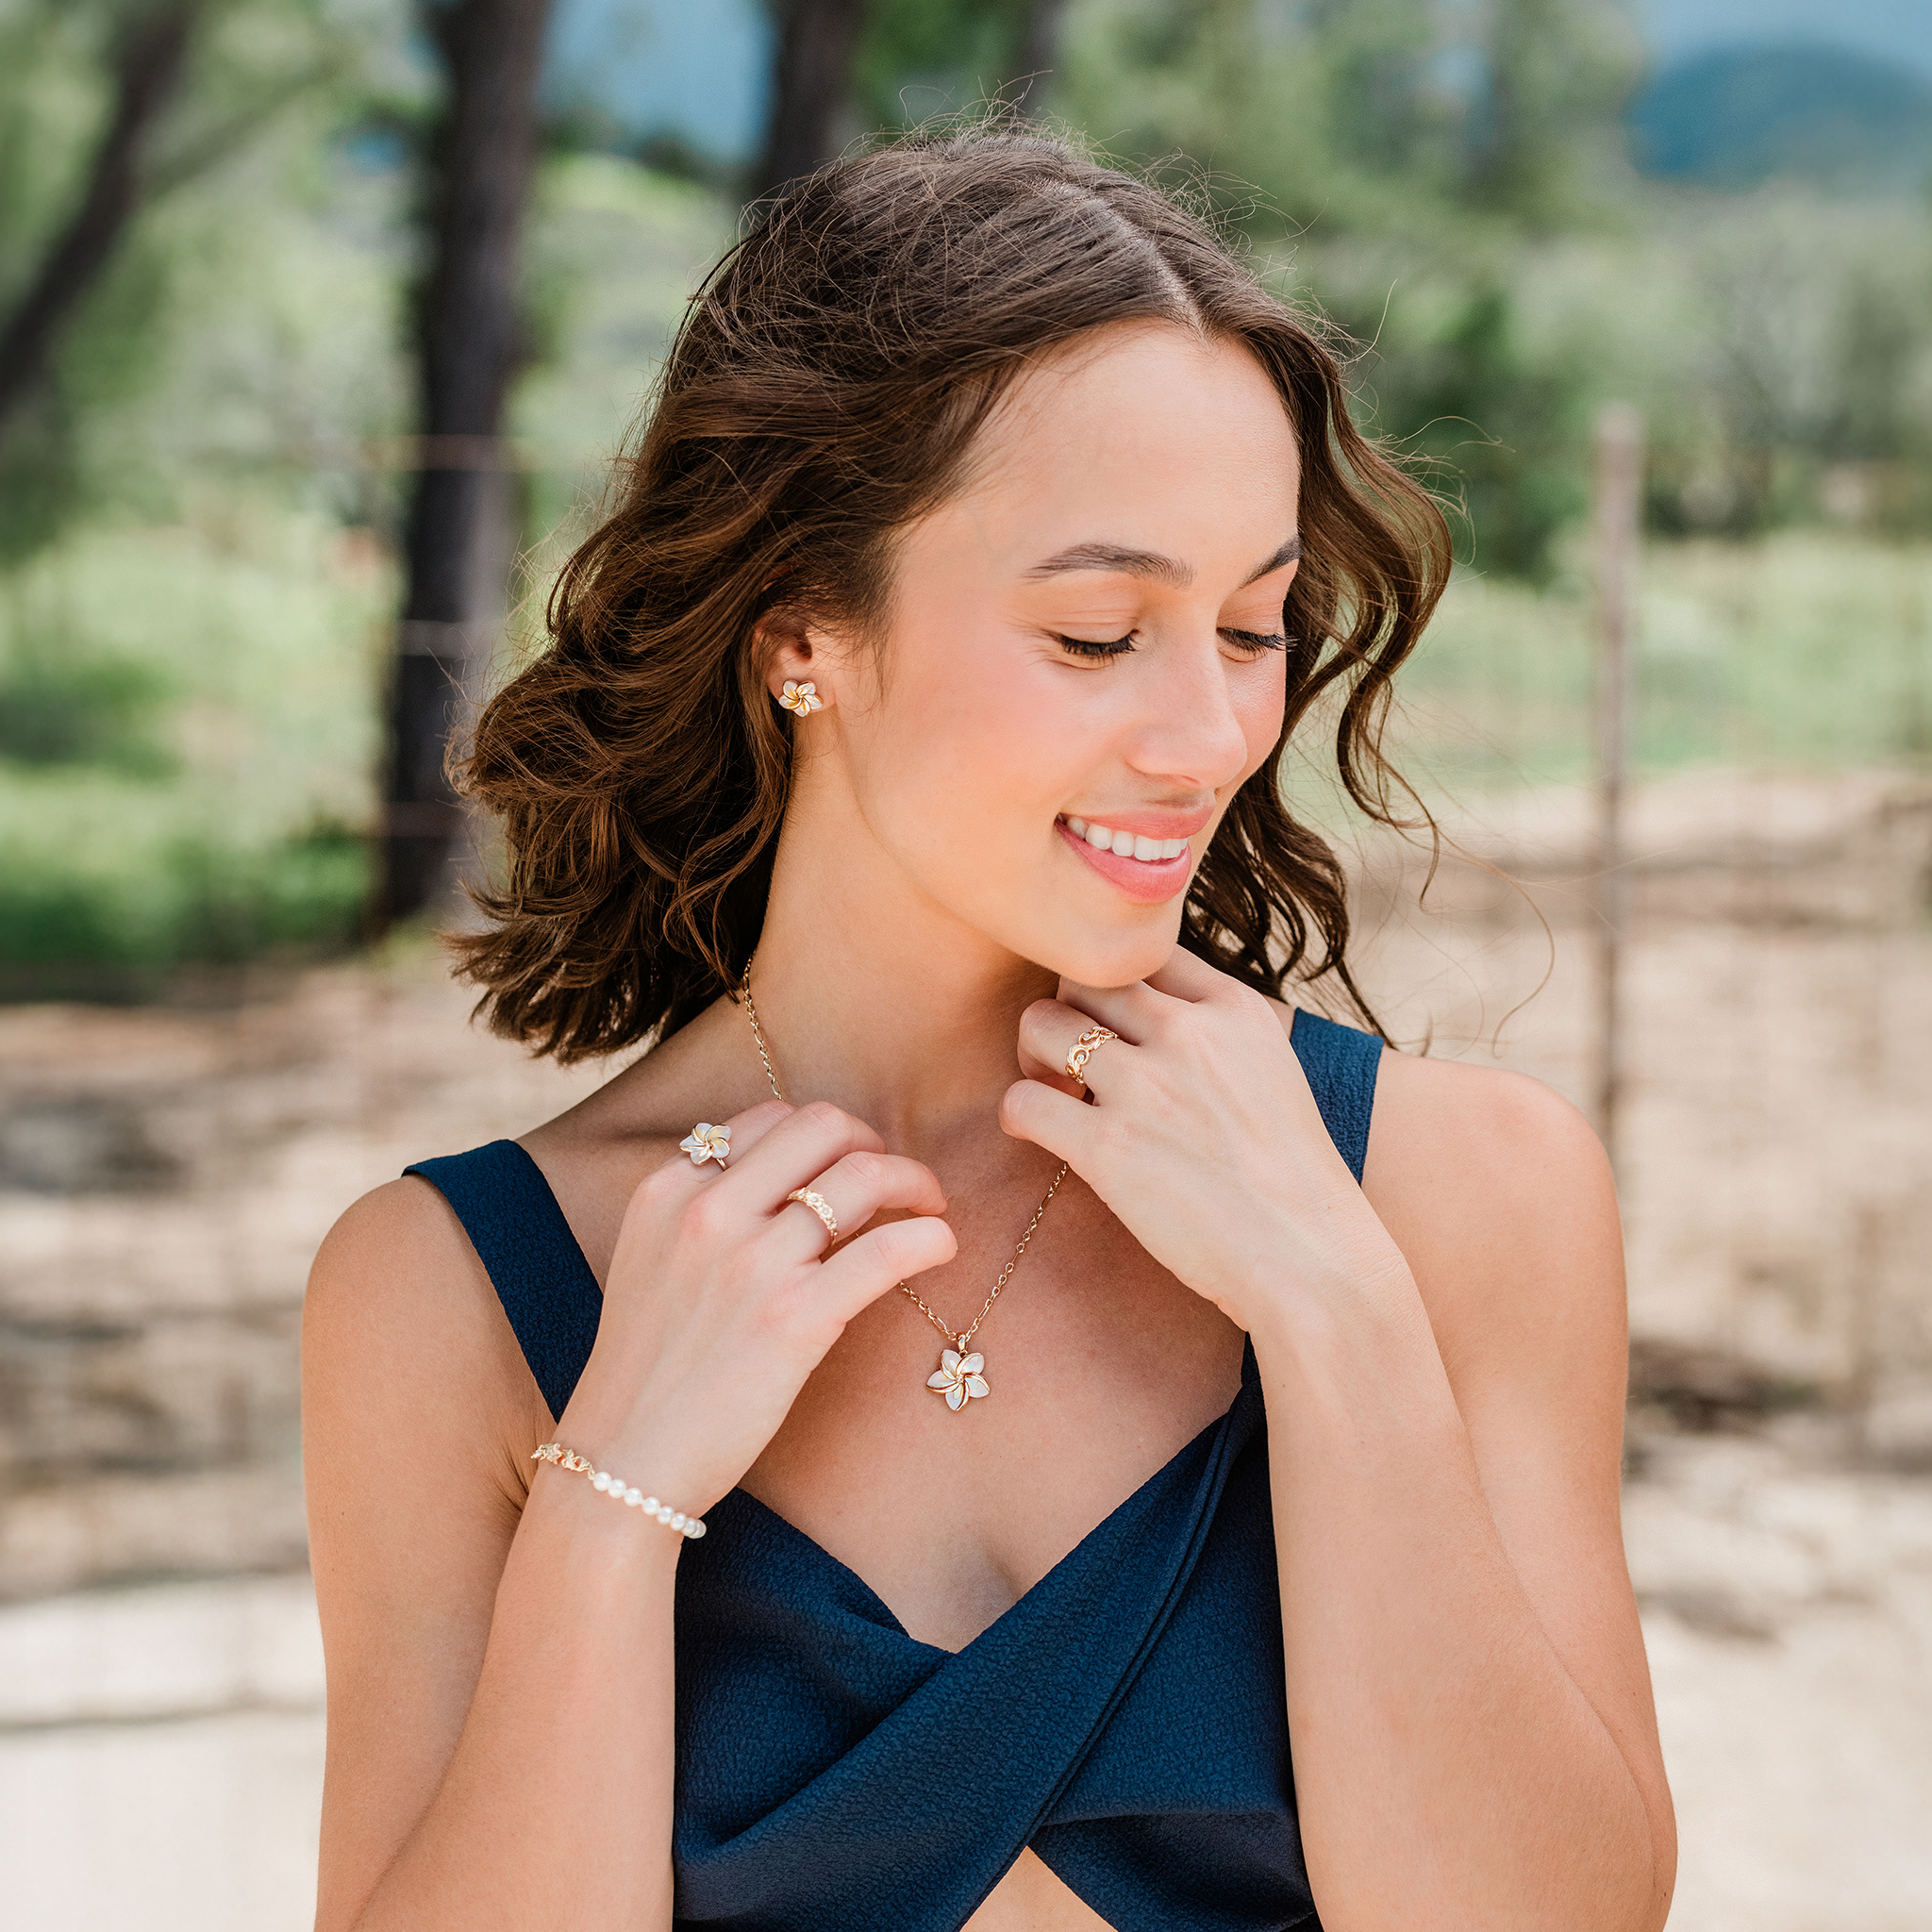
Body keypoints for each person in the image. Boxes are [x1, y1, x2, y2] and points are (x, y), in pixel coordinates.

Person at [303, 128, 1675, 1932]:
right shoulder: (454, 1297)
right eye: (1100, 635)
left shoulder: (1463, 1193)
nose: (1209, 736)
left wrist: (1336, 1310)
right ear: (804, 633)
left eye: (1253, 627)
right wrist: (612, 1494)